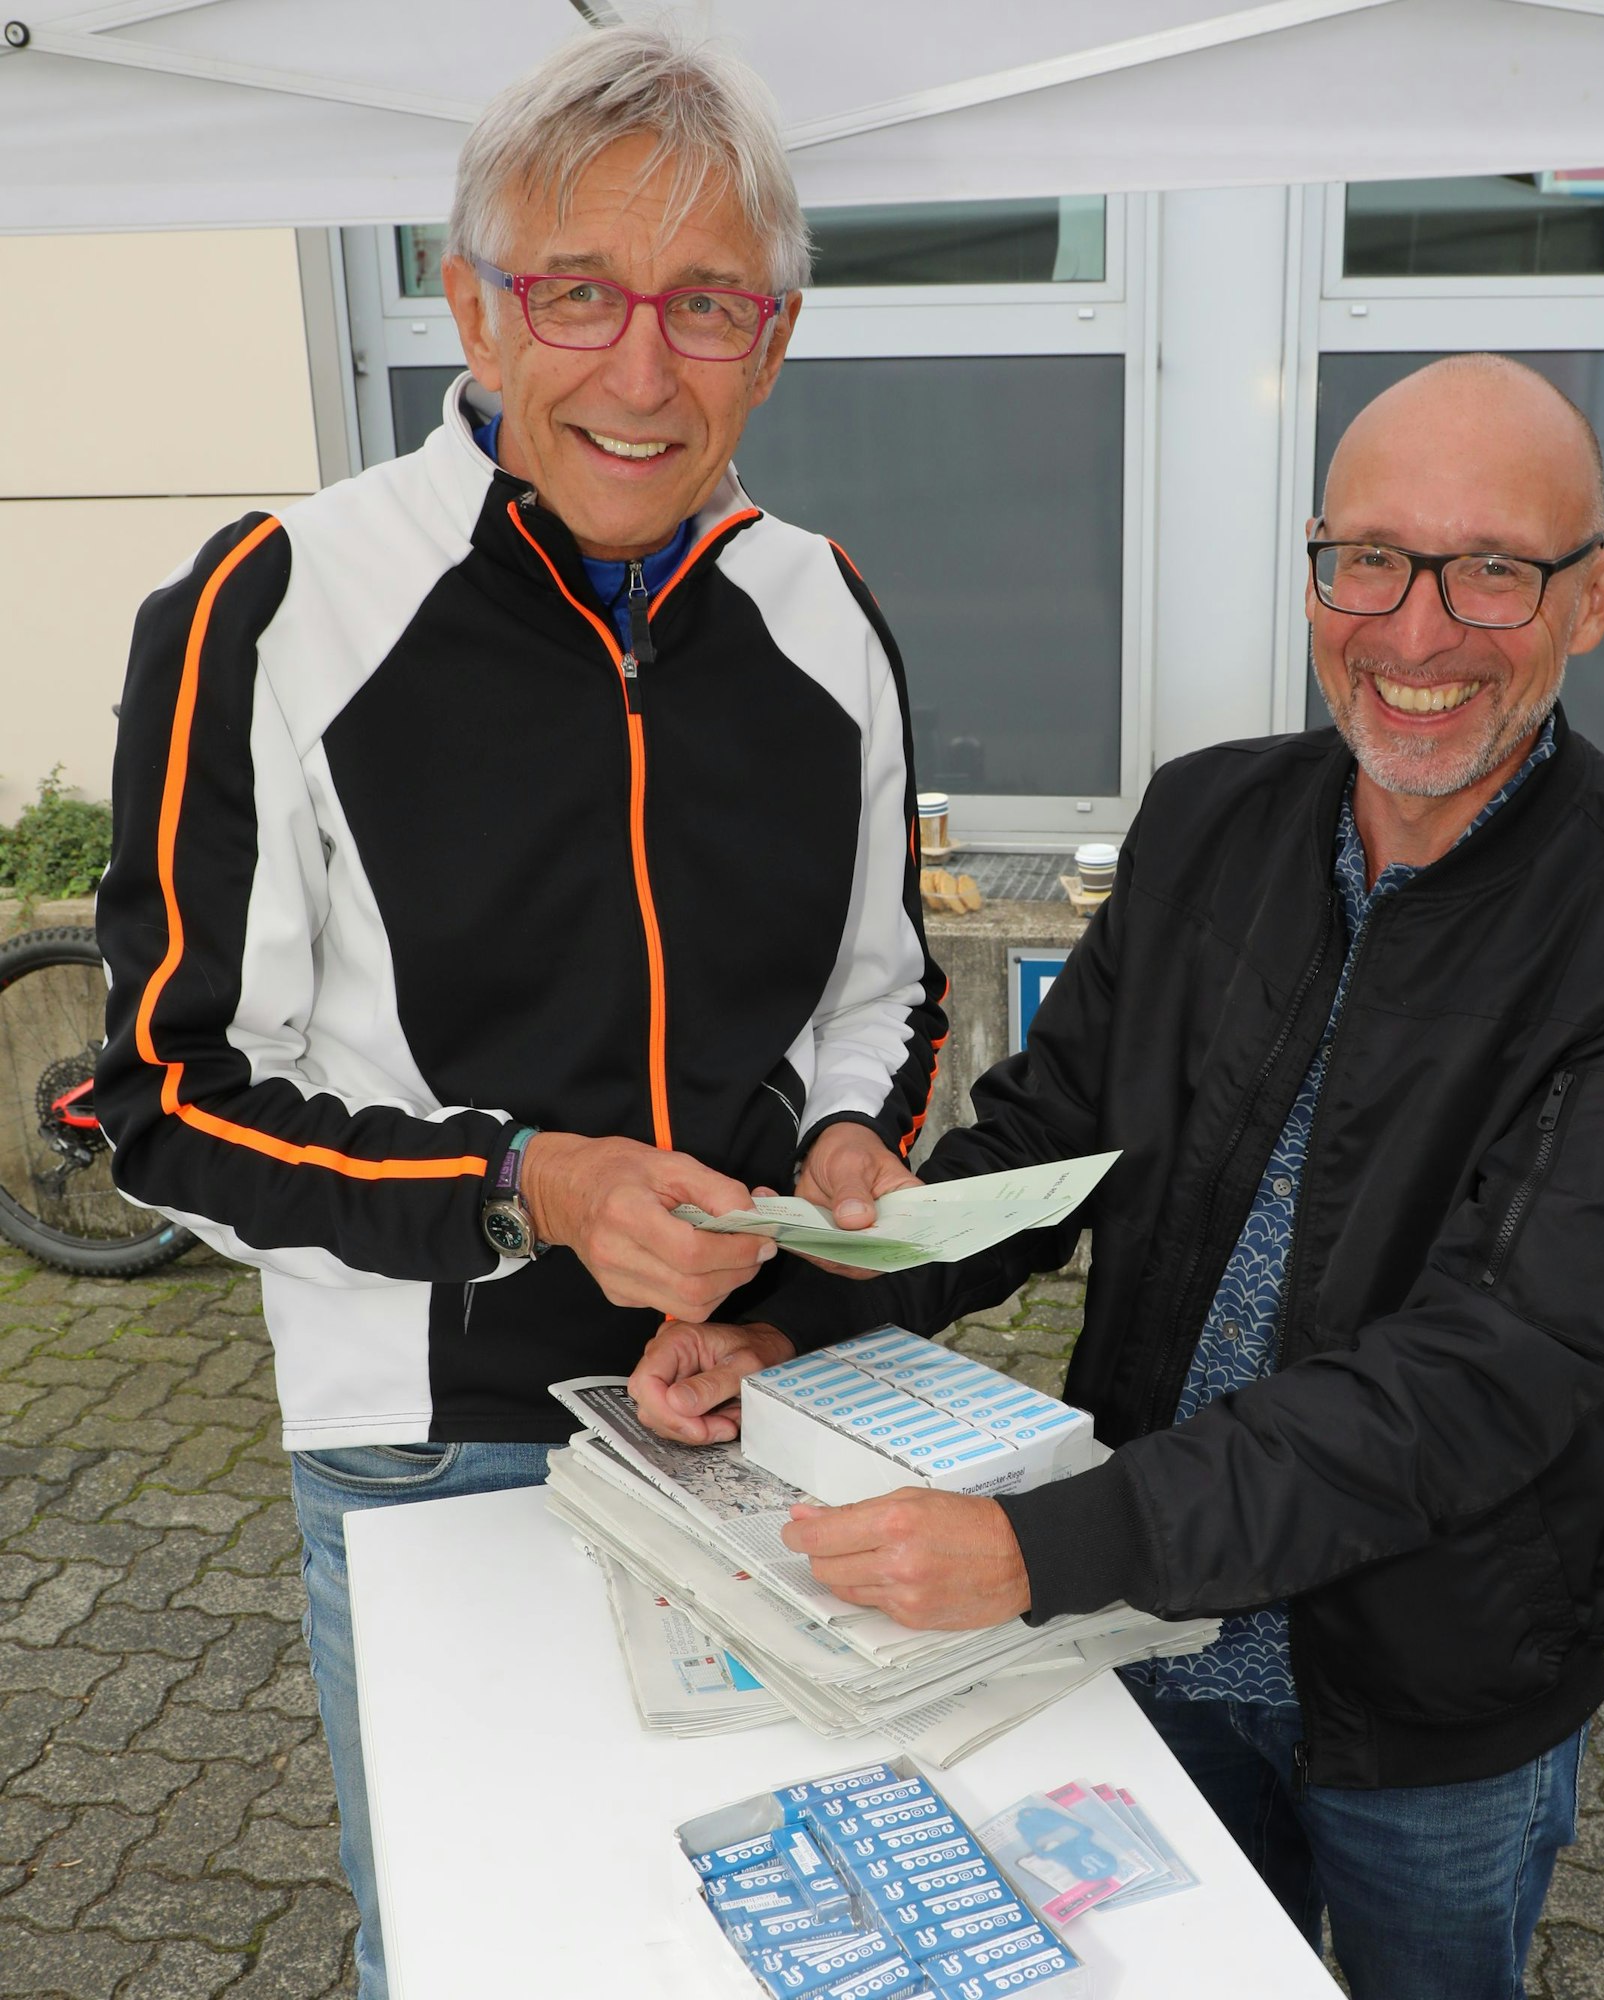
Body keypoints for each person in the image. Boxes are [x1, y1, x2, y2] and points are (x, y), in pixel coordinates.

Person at [634, 356, 1604, 1999]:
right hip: (1154, 1628)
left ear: (1596, 597)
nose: (1415, 628)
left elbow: (1495, 1366)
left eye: (1494, 572)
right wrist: (792, 1319)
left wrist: (1048, 1549)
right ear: (1316, 564)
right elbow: (1043, 1142)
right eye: (1368, 557)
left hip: (1432, 1689)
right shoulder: (1210, 822)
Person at [93, 27, 943, 1998]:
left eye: (706, 304)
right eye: (577, 293)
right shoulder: (269, 602)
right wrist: (520, 1184)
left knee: (749, 1923)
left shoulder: (827, 608)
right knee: (483, 1950)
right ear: (471, 299)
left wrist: (835, 1146)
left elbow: (877, 999)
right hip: (427, 1434)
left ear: (777, 333)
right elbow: (154, 1098)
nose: (643, 371)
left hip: (749, 1395)